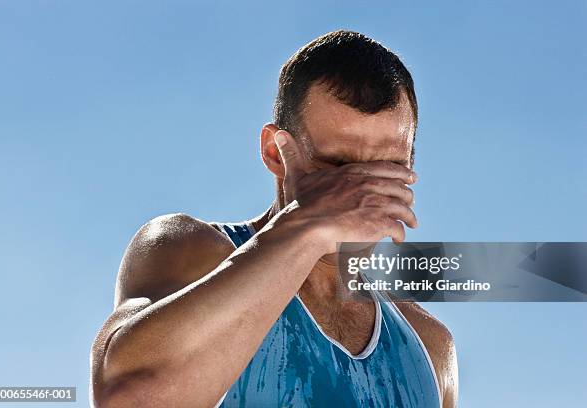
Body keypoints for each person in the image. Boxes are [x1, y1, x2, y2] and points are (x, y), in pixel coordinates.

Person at [90, 30, 458, 408]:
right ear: (274, 153)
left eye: (387, 168)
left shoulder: (429, 346)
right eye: (336, 167)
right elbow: (127, 398)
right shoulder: (190, 251)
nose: (359, 194)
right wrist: (307, 227)